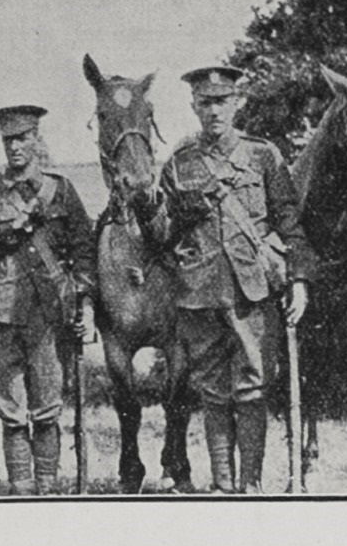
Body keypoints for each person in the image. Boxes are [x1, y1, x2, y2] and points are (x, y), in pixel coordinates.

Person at [132, 67, 314, 494]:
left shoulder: (262, 155)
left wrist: (300, 281)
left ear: (237, 103)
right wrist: (145, 208)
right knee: (213, 391)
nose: (213, 110)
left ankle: (249, 485)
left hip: (253, 290)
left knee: (252, 389)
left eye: (222, 101)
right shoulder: (179, 163)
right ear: (194, 106)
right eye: (205, 102)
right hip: (200, 293)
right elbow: (164, 235)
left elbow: (290, 223)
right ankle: (223, 485)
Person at [0, 105, 96, 495]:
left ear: (37, 139)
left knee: (46, 411)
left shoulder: (60, 190)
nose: (15, 147)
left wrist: (86, 305)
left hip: (48, 312)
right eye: (9, 140)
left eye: (23, 138)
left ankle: (47, 489)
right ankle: (22, 491)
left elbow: (84, 250)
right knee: (10, 413)